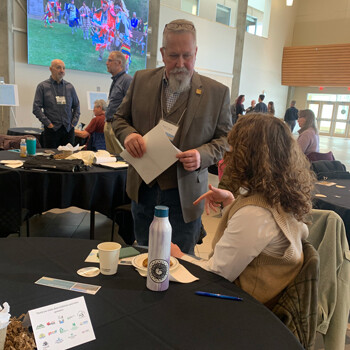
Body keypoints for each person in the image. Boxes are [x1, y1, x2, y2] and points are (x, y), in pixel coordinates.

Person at [113, 19, 232, 254]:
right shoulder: (140, 80)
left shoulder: (217, 93)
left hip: (185, 197)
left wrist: (202, 155)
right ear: (162, 53)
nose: (181, 63)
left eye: (187, 56)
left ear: (196, 52)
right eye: (174, 55)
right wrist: (129, 136)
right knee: (143, 257)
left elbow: (225, 139)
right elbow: (119, 119)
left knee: (181, 262)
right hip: (143, 191)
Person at [171, 113, 315, 307]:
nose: (227, 154)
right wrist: (231, 202)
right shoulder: (282, 196)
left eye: (232, 148)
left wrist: (178, 256)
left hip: (242, 306)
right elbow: (256, 238)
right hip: (259, 293)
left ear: (245, 155)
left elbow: (215, 275)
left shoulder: (255, 214)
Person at [33, 59, 80, 148]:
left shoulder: (69, 87)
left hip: (68, 130)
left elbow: (76, 105)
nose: (62, 70)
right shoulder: (43, 86)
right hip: (52, 131)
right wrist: (48, 124)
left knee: (69, 159)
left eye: (64, 68)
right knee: (51, 159)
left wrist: (74, 122)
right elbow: (36, 108)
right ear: (51, 69)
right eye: (58, 68)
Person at [105, 51, 132, 154]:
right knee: (111, 158)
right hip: (109, 123)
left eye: (110, 60)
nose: (107, 63)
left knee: (121, 158)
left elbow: (130, 105)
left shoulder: (127, 80)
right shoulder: (116, 80)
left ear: (119, 63)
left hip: (117, 126)